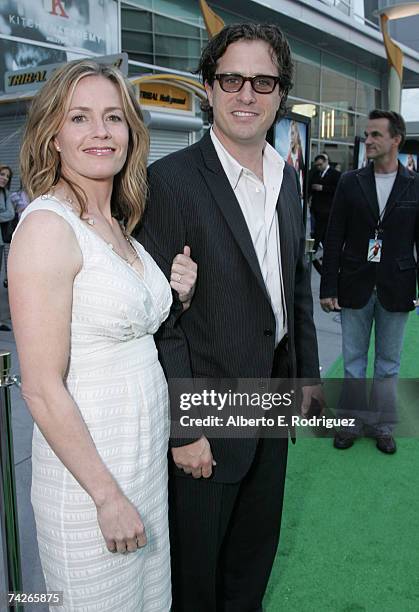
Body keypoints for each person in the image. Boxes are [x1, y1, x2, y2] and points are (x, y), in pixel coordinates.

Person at [137, 23, 322, 612]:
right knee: (198, 578)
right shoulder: (169, 183)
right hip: (208, 412)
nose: (247, 93)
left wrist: (306, 382)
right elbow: (162, 323)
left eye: (262, 81)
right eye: (231, 79)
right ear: (208, 88)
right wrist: (184, 428)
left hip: (272, 397)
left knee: (252, 561)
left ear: (280, 93)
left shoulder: (287, 180)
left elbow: (295, 290)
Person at [9, 59, 197, 611]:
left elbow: (124, 324)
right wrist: (106, 496)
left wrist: (176, 294)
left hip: (140, 466)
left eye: (113, 118)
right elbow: (42, 387)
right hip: (91, 482)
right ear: (53, 137)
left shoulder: (118, 224)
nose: (100, 132)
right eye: (80, 118)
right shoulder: (47, 227)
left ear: (130, 134)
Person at [320, 109, 419, 455]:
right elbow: (334, 237)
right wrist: (328, 287)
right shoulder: (350, 181)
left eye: (376, 135)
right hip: (354, 284)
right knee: (353, 362)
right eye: (367, 135)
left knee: (389, 364)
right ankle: (350, 422)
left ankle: (382, 426)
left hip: (398, 286)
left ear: (396, 139)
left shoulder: (414, 185)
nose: (369, 141)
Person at [309, 154, 340, 273]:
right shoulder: (316, 173)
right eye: (317, 165)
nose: (319, 167)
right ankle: (325, 254)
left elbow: (338, 190)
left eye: (320, 164)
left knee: (320, 232)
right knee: (323, 234)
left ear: (326, 162)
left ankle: (314, 251)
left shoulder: (335, 174)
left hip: (328, 210)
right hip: (317, 209)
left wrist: (323, 188)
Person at [0, 164, 15, 329]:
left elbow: (10, 214)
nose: (4, 178)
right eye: (2, 174)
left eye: (7, 176)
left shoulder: (6, 194)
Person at [286, 119, 304, 192]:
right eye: (290, 134)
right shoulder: (290, 153)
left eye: (293, 133)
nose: (291, 137)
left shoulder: (299, 151)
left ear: (297, 134)